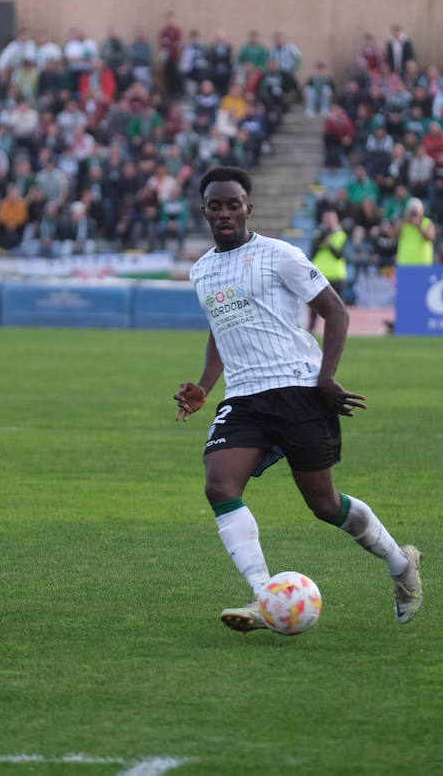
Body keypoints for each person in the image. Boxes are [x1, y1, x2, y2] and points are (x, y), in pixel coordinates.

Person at [174, 166, 422, 632]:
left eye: (233, 204)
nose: (225, 212)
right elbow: (219, 329)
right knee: (220, 485)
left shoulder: (279, 255)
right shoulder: (201, 270)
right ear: (203, 211)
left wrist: (327, 378)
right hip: (245, 396)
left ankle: (400, 563)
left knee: (324, 504)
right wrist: (205, 388)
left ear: (249, 206)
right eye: (215, 205)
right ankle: (263, 595)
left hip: (296, 389)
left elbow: (335, 311)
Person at [309, 209, 347, 331]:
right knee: (314, 305)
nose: (328, 222)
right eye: (326, 219)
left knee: (337, 306)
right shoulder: (318, 235)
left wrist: (329, 243)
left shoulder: (341, 235)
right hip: (319, 274)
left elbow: (338, 255)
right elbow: (312, 254)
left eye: (331, 219)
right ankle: (311, 329)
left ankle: (339, 329)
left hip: (336, 275)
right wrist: (320, 239)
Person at [395, 198, 435, 266]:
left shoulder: (427, 222)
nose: (413, 215)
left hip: (423, 263)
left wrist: (419, 226)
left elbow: (430, 238)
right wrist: (404, 219)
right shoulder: (402, 223)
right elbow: (395, 236)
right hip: (405, 263)